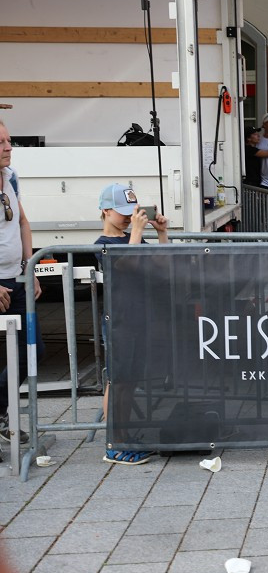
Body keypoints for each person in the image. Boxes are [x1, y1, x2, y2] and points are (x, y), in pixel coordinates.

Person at [96, 183, 169, 465]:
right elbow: (125, 262)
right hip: (119, 320)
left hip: (139, 318)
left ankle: (124, 436)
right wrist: (137, 232)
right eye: (122, 212)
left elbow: (163, 266)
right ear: (104, 211)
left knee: (129, 382)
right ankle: (114, 441)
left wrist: (161, 233)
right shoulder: (103, 245)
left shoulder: (133, 239)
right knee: (118, 381)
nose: (128, 218)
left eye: (133, 212)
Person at [0, 122, 41, 444]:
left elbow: (23, 221)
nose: (7, 147)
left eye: (8, 140)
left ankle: (1, 411)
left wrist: (31, 267)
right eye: (0, 142)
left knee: (31, 350)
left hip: (15, 278)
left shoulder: (9, 176)